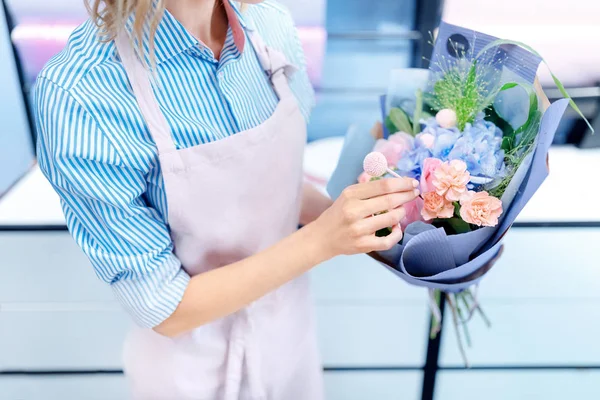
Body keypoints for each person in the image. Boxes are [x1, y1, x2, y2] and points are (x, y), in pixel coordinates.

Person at [34, 0, 419, 398]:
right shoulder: (81, 95)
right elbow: (165, 307)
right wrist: (323, 239)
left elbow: (269, 187)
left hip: (288, 339)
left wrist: (372, 226)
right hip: (189, 370)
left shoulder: (271, 26)